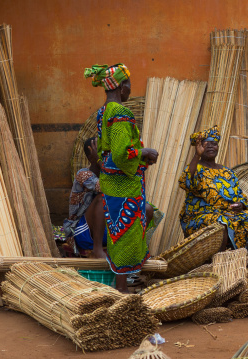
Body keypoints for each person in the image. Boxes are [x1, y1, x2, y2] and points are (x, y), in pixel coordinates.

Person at [84, 63, 159, 293]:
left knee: (119, 231)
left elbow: (109, 152)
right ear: (120, 86)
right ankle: (122, 289)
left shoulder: (102, 113)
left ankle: (122, 285)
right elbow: (121, 153)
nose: (129, 90)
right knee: (126, 234)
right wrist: (144, 153)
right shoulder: (120, 114)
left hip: (111, 181)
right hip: (124, 184)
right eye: (128, 85)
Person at [62, 137, 161, 261]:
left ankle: (134, 251)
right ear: (91, 155)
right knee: (103, 198)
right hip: (83, 233)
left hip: (108, 230)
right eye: (103, 153)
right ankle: (97, 250)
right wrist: (99, 160)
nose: (108, 156)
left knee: (146, 208)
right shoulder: (83, 174)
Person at [178, 125, 248, 251]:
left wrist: (240, 204)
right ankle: (219, 262)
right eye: (205, 144)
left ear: (218, 147)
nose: (210, 146)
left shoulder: (227, 172)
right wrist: (196, 156)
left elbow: (240, 195)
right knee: (222, 223)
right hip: (200, 216)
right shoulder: (195, 168)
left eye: (213, 143)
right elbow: (185, 182)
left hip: (228, 214)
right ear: (199, 148)